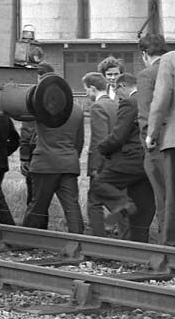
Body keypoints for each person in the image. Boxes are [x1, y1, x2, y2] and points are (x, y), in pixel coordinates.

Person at [92, 73, 154, 241]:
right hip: (150, 161)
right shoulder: (150, 100)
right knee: (142, 212)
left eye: (116, 91)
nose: (117, 97)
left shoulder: (129, 102)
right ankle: (142, 251)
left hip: (132, 159)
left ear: (121, 87)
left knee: (99, 184)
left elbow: (118, 136)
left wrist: (102, 148)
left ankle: (123, 204)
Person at [22, 99, 85, 233]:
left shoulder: (41, 105)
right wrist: (71, 157)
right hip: (68, 163)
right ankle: (79, 240)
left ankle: (24, 238)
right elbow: (80, 140)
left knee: (37, 206)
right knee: (72, 206)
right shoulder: (78, 108)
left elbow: (24, 122)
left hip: (44, 163)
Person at [137, 33, 168, 231]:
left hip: (158, 145)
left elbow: (146, 114)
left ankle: (167, 246)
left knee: (163, 198)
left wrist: (148, 141)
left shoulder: (147, 75)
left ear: (144, 54)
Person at [146, 48, 175, 245]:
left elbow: (162, 98)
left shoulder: (170, 59)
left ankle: (171, 249)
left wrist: (152, 134)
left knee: (172, 199)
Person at [85, 72, 117, 236]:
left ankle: (98, 241)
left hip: (102, 164)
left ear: (92, 88)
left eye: (86, 90)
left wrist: (95, 167)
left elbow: (100, 139)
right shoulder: (115, 104)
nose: (86, 94)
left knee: (94, 202)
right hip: (117, 162)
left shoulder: (98, 107)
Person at [19, 62, 55, 204]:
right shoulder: (60, 97)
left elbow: (27, 131)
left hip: (36, 153)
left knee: (34, 196)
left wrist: (24, 157)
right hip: (56, 153)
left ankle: (33, 223)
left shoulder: (32, 99)